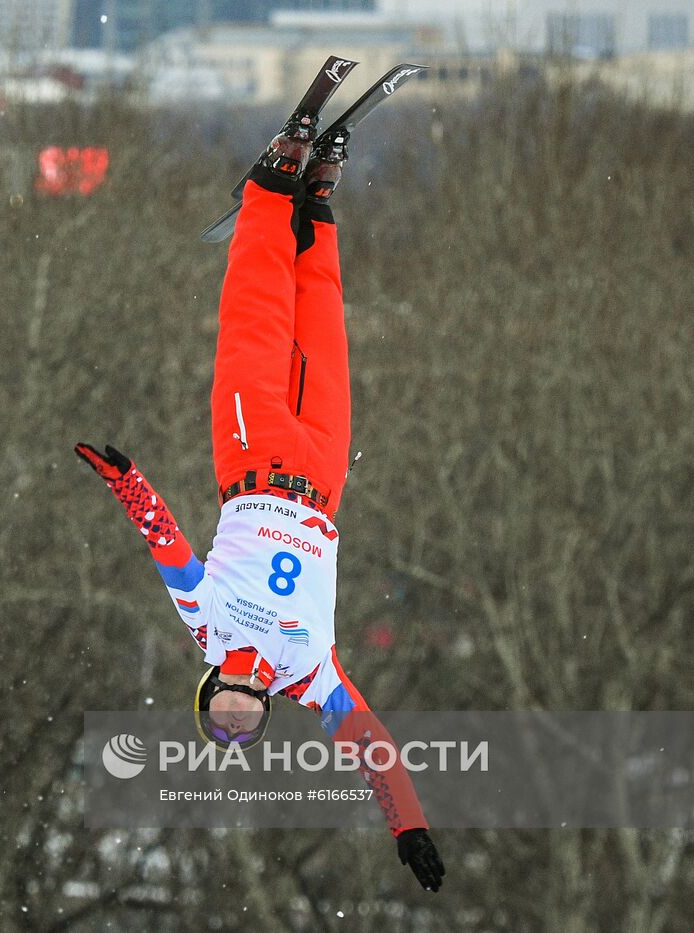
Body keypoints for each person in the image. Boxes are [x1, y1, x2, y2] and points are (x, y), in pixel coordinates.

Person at [76, 119, 446, 893]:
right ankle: (318, 205)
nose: (237, 715)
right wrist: (408, 826)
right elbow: (371, 746)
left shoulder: (207, 625)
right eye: (244, 728)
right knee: (322, 323)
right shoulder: (311, 675)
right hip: (323, 475)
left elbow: (165, 541)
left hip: (253, 458)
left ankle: (274, 185)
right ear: (268, 712)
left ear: (209, 692)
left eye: (222, 719)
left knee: (257, 319)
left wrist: (125, 479)